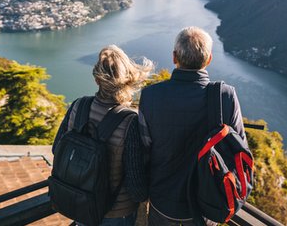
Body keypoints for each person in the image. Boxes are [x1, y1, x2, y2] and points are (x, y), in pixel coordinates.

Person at [138, 27, 246, 225]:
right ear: (209, 59)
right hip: (206, 203)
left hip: (163, 199)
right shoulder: (225, 96)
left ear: (174, 57)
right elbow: (238, 149)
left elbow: (144, 148)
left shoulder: (150, 95)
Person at [53, 45, 151, 225]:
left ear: (97, 79)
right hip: (116, 213)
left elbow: (56, 149)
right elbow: (135, 186)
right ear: (127, 79)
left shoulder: (78, 106)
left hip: (82, 203)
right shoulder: (130, 122)